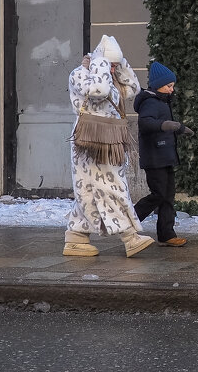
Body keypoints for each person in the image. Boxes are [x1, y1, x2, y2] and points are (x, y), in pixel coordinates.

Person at [63, 35, 155, 258]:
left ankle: (76, 237)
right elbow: (98, 93)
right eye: (110, 64)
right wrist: (99, 63)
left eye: (114, 65)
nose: (113, 68)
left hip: (108, 140)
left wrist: (120, 63)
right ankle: (129, 236)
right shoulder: (80, 74)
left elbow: (133, 89)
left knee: (89, 189)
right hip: (90, 142)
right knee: (112, 187)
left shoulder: (110, 77)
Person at [133, 61, 195, 246]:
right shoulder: (150, 102)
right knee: (158, 194)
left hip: (166, 156)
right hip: (154, 158)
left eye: (172, 86)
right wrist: (166, 125)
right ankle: (129, 221)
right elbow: (145, 124)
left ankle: (167, 234)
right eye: (169, 86)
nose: (171, 90)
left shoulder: (162, 101)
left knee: (168, 195)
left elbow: (167, 124)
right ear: (158, 84)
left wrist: (181, 128)